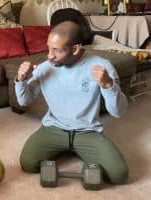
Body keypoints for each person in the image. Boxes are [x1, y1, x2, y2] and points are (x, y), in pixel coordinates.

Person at [15, 21, 128, 185]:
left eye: (56, 50)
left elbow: (118, 112)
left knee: (119, 175)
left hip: (87, 131)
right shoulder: (45, 67)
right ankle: (70, 148)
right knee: (28, 163)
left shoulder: (102, 67)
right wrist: (21, 80)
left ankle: (80, 150)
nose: (49, 56)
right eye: (49, 48)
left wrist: (108, 85)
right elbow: (24, 100)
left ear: (75, 49)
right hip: (54, 129)